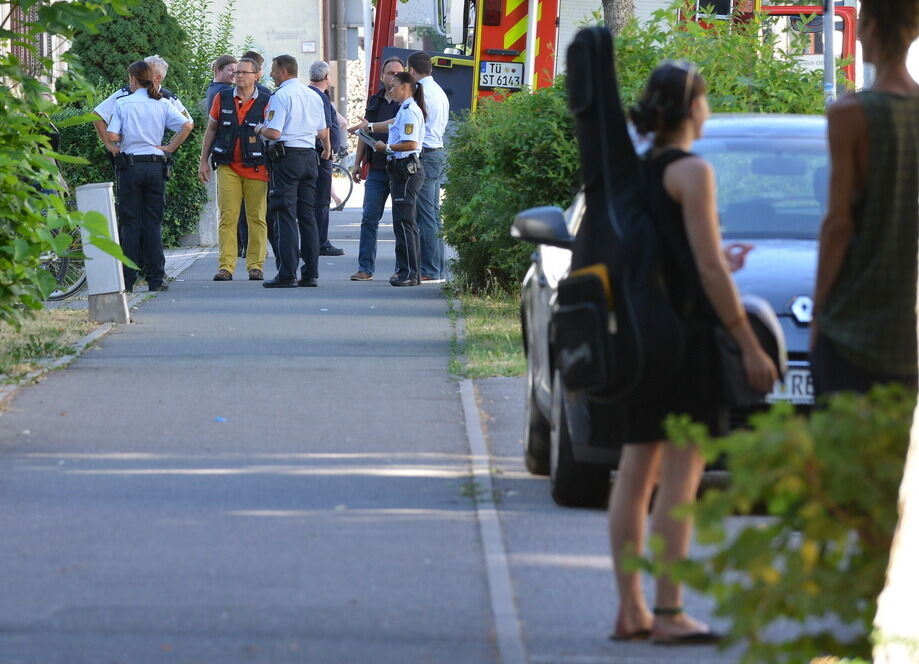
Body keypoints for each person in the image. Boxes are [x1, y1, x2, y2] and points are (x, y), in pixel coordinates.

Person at [607, 61, 777, 644]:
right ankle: (671, 608)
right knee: (682, 477)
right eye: (704, 99)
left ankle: (631, 608)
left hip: (638, 337)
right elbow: (707, 267)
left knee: (634, 472)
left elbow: (665, 255)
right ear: (690, 107)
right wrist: (749, 343)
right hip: (687, 342)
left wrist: (712, 263)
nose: (707, 109)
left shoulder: (638, 170)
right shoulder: (693, 172)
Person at [810, 0, 919, 397]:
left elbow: (838, 226)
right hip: (907, 335)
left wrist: (819, 312)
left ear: (870, 28)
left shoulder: (851, 114)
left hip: (853, 328)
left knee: (841, 453)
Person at [106, 60, 193, 293]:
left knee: (130, 224)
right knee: (153, 223)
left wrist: (119, 137)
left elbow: (113, 135)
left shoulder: (123, 103)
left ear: (134, 79)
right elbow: (186, 125)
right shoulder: (163, 103)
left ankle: (128, 280)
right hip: (156, 165)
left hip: (130, 167)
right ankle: (156, 278)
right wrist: (169, 147)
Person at [255, 54, 331, 288]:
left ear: (284, 72)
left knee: (285, 214)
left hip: (287, 158)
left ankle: (287, 273)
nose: (271, 75)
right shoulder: (313, 95)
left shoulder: (281, 96)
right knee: (307, 216)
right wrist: (327, 149)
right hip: (310, 157)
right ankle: (311, 273)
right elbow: (322, 130)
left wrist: (259, 129)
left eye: (274, 71)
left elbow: (275, 133)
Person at [197, 56, 270, 282]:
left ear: (256, 76)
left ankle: (255, 265)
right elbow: (211, 129)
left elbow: (275, 133)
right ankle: (226, 266)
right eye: (237, 72)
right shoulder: (223, 97)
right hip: (228, 165)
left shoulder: (268, 100)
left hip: (257, 167)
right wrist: (203, 160)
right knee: (228, 217)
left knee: (256, 217)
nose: (238, 76)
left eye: (244, 73)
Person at [348, 56, 405, 281]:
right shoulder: (375, 101)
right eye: (390, 73)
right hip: (378, 170)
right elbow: (364, 132)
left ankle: (403, 269)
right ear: (382, 77)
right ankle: (365, 268)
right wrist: (357, 163)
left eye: (398, 73)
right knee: (369, 217)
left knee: (401, 221)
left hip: (400, 168)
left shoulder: (408, 102)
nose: (393, 77)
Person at [369, 72, 426, 287]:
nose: (389, 89)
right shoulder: (404, 109)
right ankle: (407, 271)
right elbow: (392, 124)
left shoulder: (411, 111)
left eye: (393, 86)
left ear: (405, 87)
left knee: (405, 223)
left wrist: (387, 147)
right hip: (400, 168)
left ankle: (410, 273)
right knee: (402, 223)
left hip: (406, 169)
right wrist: (371, 127)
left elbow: (411, 144)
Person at [407, 51, 449, 284]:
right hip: (437, 152)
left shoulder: (420, 93)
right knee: (433, 214)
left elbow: (417, 125)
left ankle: (431, 270)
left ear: (412, 70)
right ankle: (437, 269)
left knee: (425, 216)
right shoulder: (439, 91)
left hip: (425, 153)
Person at [307, 60, 345, 257]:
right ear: (327, 77)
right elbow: (325, 127)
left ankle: (315, 241)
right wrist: (328, 148)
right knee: (321, 201)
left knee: (314, 200)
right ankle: (321, 242)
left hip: (313, 154)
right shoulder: (320, 98)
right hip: (321, 155)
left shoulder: (311, 94)